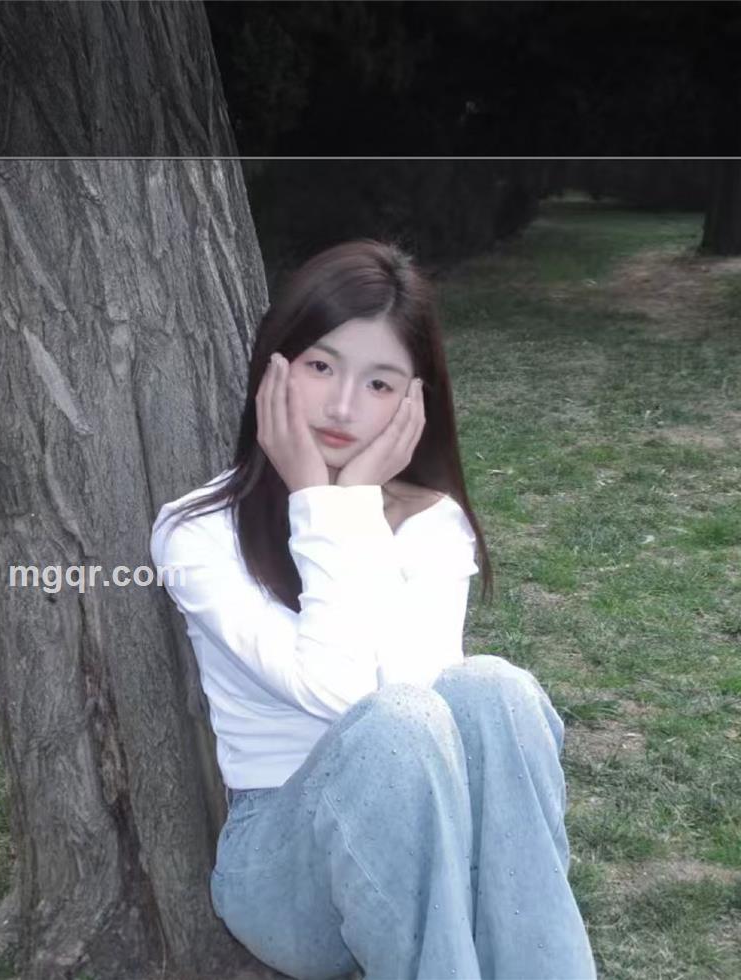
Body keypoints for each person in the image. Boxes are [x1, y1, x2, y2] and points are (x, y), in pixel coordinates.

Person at [149, 240, 597, 980]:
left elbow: (423, 700)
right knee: (396, 723)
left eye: (380, 383)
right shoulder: (197, 532)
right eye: (321, 367)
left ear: (413, 403)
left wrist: (347, 503)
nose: (343, 407)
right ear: (273, 368)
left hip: (434, 845)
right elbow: (349, 699)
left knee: (494, 688)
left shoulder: (432, 522)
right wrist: (330, 505)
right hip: (287, 872)